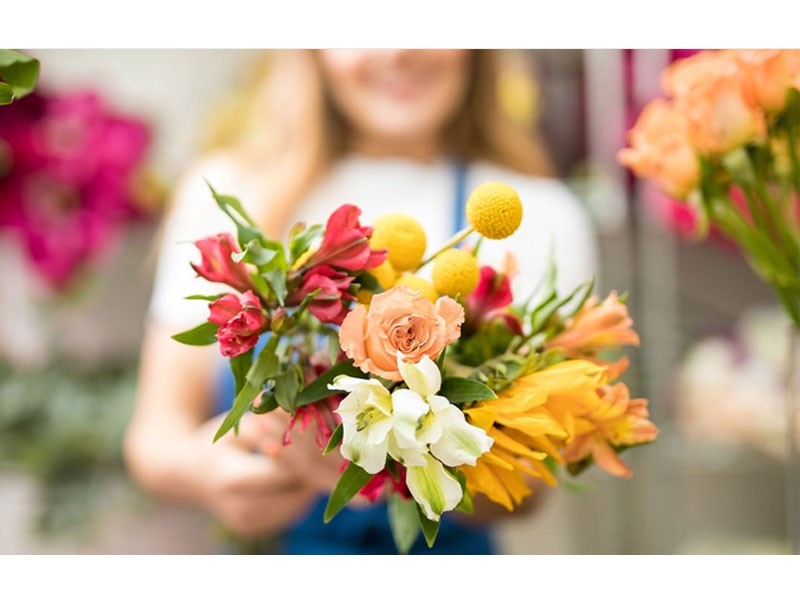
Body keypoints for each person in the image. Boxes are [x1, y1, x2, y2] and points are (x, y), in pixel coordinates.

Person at [124, 50, 599, 554]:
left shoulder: (542, 216)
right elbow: (154, 439)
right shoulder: (231, 190)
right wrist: (212, 473)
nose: (396, 51)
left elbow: (532, 482)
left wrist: (408, 471)